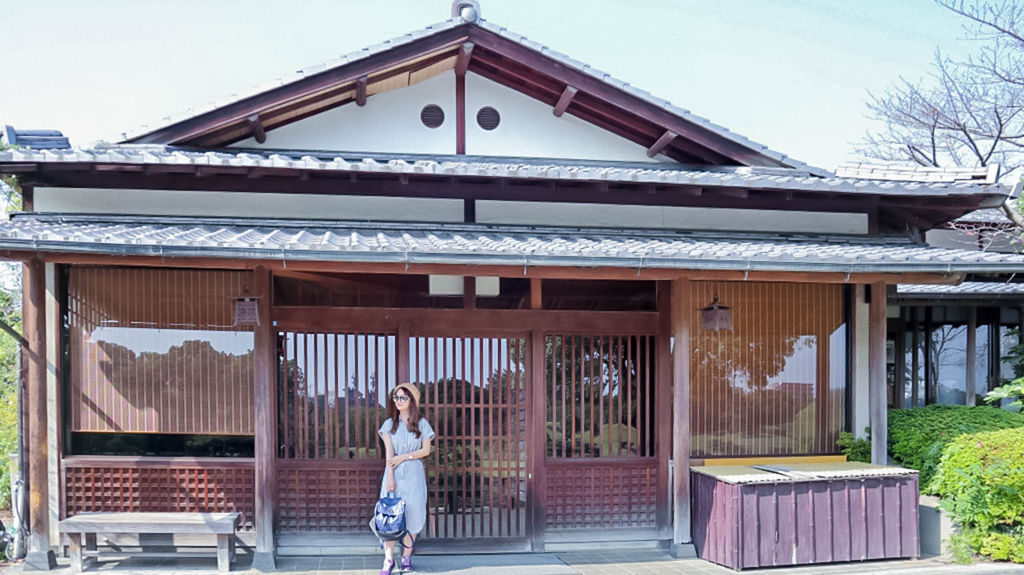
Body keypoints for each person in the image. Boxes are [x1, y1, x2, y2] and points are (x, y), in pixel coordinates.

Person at [377, 382, 434, 575]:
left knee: (414, 514)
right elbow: (389, 456)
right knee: (390, 518)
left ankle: (407, 556)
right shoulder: (388, 425)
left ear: (411, 400)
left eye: (403, 397)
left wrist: (405, 457)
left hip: (414, 475)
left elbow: (426, 450)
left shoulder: (422, 424)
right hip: (394, 475)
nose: (399, 401)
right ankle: (389, 560)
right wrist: (390, 478)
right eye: (396, 397)